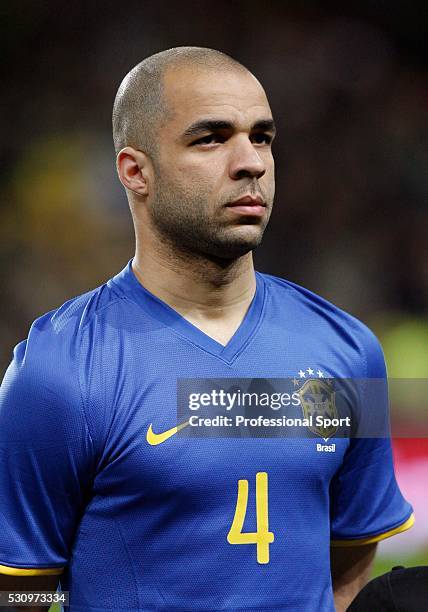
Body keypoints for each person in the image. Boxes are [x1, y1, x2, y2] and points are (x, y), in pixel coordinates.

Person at [0, 47, 414, 612]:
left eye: (262, 137)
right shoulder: (59, 371)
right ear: (134, 171)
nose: (251, 162)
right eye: (211, 138)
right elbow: (17, 592)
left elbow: (346, 566)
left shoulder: (348, 350)